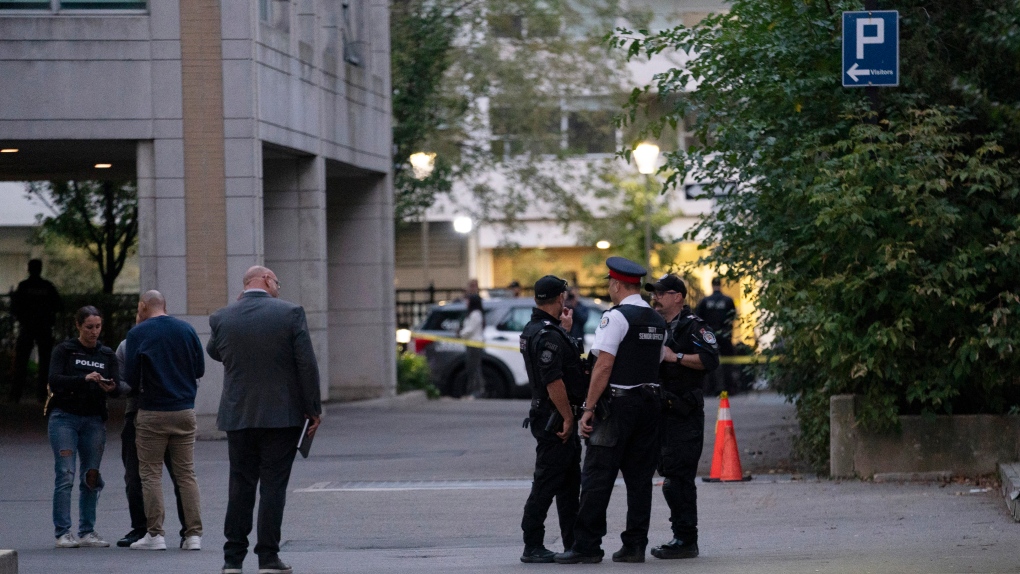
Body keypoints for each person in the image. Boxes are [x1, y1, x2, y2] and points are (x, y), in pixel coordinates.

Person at [207, 265, 321, 574]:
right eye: (277, 283)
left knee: (240, 485)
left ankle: (232, 560)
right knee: (273, 486)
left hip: (238, 413)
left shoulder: (222, 317)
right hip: (281, 416)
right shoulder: (290, 313)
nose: (279, 289)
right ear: (267, 280)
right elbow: (306, 363)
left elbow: (215, 352)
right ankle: (268, 558)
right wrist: (313, 408)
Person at [555, 257, 666, 564]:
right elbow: (656, 362)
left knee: (597, 476)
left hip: (616, 406)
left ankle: (587, 546)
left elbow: (603, 364)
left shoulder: (615, 317)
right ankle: (634, 545)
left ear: (617, 284)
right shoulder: (657, 321)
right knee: (640, 479)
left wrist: (589, 408)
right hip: (649, 403)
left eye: (609, 284)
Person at [124, 290, 205, 551]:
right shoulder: (186, 330)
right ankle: (193, 535)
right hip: (184, 409)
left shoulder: (138, 334)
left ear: (143, 306)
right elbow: (200, 369)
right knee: (186, 474)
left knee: (150, 474)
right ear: (165, 305)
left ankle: (156, 534)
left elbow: (131, 378)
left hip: (152, 411)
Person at [645, 274, 719, 560]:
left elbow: (711, 360)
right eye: (654, 293)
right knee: (668, 475)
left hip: (684, 413)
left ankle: (686, 539)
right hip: (659, 413)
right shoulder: (654, 326)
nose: (656, 298)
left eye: (662, 293)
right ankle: (680, 536)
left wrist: (675, 357)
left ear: (678, 297)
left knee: (679, 479)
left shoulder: (694, 327)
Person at [518, 275, 586, 563]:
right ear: (560, 298)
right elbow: (553, 380)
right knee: (546, 483)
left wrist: (564, 329)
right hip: (554, 417)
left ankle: (573, 543)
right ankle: (532, 544)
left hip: (550, 414)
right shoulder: (547, 335)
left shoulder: (538, 329)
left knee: (569, 484)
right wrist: (568, 418)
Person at [46, 306, 120, 549]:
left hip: (93, 421)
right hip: (64, 418)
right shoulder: (65, 350)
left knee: (91, 475)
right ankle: (63, 532)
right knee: (65, 474)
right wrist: (83, 379)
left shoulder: (107, 354)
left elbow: (118, 385)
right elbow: (54, 380)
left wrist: (112, 388)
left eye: (98, 327)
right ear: (78, 326)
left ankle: (87, 531)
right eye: (89, 327)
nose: (94, 332)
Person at [114, 312, 188, 549]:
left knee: (164, 475)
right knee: (138, 476)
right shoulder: (127, 345)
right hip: (144, 412)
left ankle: (170, 532)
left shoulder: (173, 341)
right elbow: (122, 381)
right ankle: (144, 529)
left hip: (150, 414)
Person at [10, 258, 62, 403]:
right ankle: (43, 394)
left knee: (21, 362)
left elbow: (15, 307)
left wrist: (23, 319)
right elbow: (58, 305)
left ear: (29, 269)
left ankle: (16, 395)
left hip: (27, 328)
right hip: (44, 328)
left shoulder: (24, 286)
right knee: (45, 363)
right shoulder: (47, 286)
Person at [695, 277, 736, 394]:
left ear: (712, 285)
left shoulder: (705, 301)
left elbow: (699, 318)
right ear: (721, 285)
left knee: (709, 361)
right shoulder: (728, 300)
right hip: (725, 334)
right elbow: (732, 317)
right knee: (727, 362)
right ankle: (728, 387)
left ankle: (710, 388)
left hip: (709, 335)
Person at [457, 294, 486, 399]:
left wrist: (460, 334)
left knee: (474, 368)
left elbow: (470, 329)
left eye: (468, 300)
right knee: (471, 368)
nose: (466, 302)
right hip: (470, 344)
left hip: (475, 344)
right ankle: (471, 391)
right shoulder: (471, 314)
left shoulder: (476, 314)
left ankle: (477, 391)